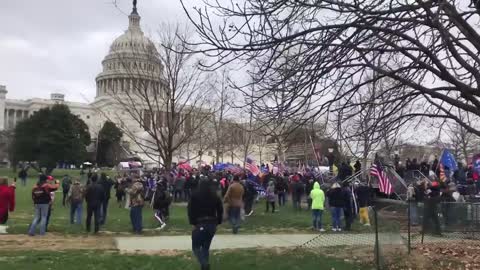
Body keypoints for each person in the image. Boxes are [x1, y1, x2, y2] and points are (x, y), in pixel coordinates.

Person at [188, 178, 223, 270]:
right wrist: (218, 221)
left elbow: (190, 210)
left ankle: (204, 264)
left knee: (195, 247)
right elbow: (220, 210)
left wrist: (193, 222)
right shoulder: (214, 196)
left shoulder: (195, 195)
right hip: (212, 223)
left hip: (200, 223)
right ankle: (205, 265)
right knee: (205, 247)